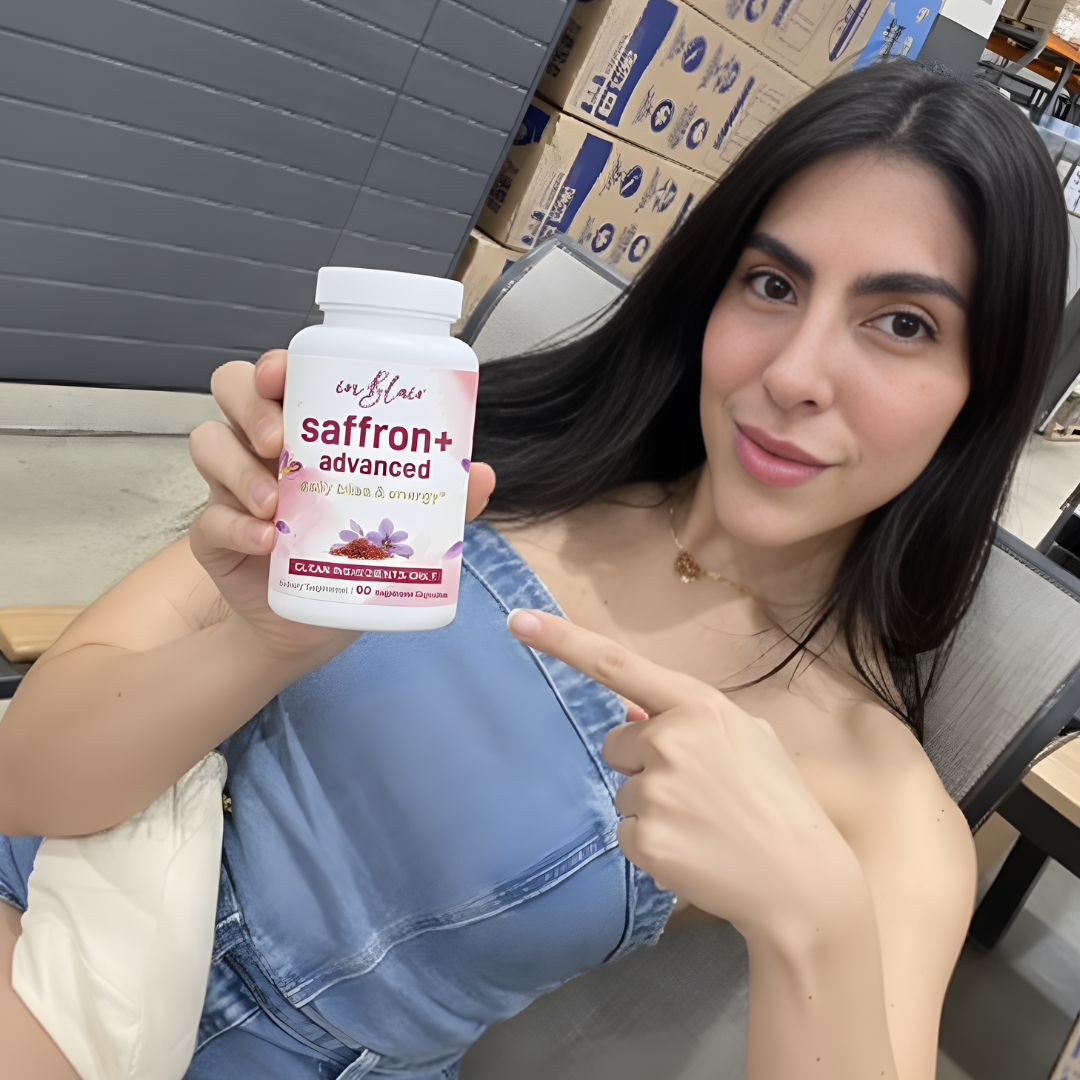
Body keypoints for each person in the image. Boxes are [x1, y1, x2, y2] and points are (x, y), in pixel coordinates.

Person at [0, 63, 1068, 1080]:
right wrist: (261, 646)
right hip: (51, 894)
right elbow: (25, 782)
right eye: (772, 283)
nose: (794, 373)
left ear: (984, 393)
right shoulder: (456, 462)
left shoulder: (882, 805)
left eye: (902, 324)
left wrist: (811, 925)